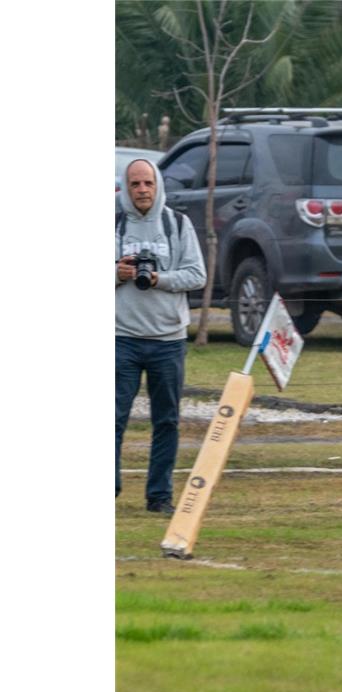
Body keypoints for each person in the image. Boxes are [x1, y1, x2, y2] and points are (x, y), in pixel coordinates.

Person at [116, 158, 207, 514]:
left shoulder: (177, 224)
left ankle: (159, 496)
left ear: (158, 187)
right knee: (113, 418)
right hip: (119, 337)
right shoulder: (112, 225)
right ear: (125, 188)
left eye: (148, 184)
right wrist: (118, 273)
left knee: (166, 420)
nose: (142, 190)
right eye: (135, 184)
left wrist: (159, 278)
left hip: (167, 340)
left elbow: (197, 275)